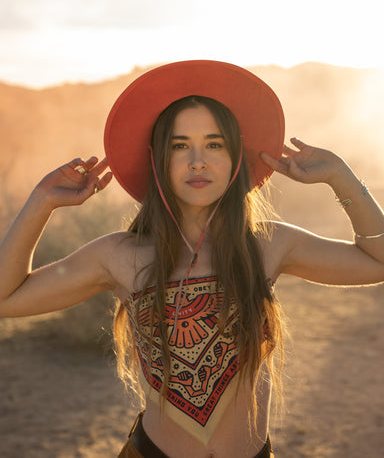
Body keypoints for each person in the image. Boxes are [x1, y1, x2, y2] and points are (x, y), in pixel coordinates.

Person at [0, 60, 383, 458]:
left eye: (214, 144)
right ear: (159, 160)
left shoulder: (267, 245)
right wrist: (41, 202)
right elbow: (5, 298)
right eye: (180, 145)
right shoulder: (119, 256)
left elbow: (378, 262)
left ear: (235, 158)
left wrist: (340, 176)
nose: (197, 161)